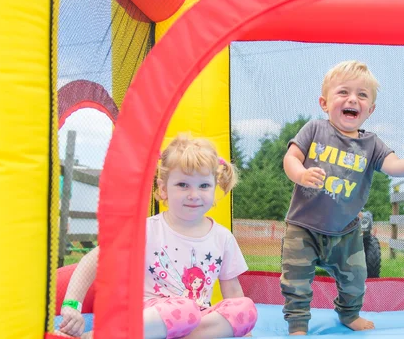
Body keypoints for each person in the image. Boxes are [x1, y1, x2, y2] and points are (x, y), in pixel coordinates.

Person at [280, 60, 404, 335]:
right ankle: (297, 324)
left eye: (362, 95)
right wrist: (301, 174)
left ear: (370, 109)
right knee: (296, 280)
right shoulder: (314, 129)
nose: (352, 99)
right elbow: (291, 157)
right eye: (343, 92)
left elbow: (396, 167)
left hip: (346, 231)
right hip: (303, 226)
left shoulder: (371, 144)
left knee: (355, 280)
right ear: (324, 102)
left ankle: (348, 313)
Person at [56, 134, 257, 339]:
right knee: (185, 310)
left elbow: (232, 291)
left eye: (203, 186)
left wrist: (243, 329)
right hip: (147, 318)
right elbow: (94, 260)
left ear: (214, 187)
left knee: (246, 308)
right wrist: (72, 305)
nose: (194, 194)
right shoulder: (146, 230)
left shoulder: (222, 237)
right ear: (163, 188)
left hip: (196, 322)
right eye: (183, 185)